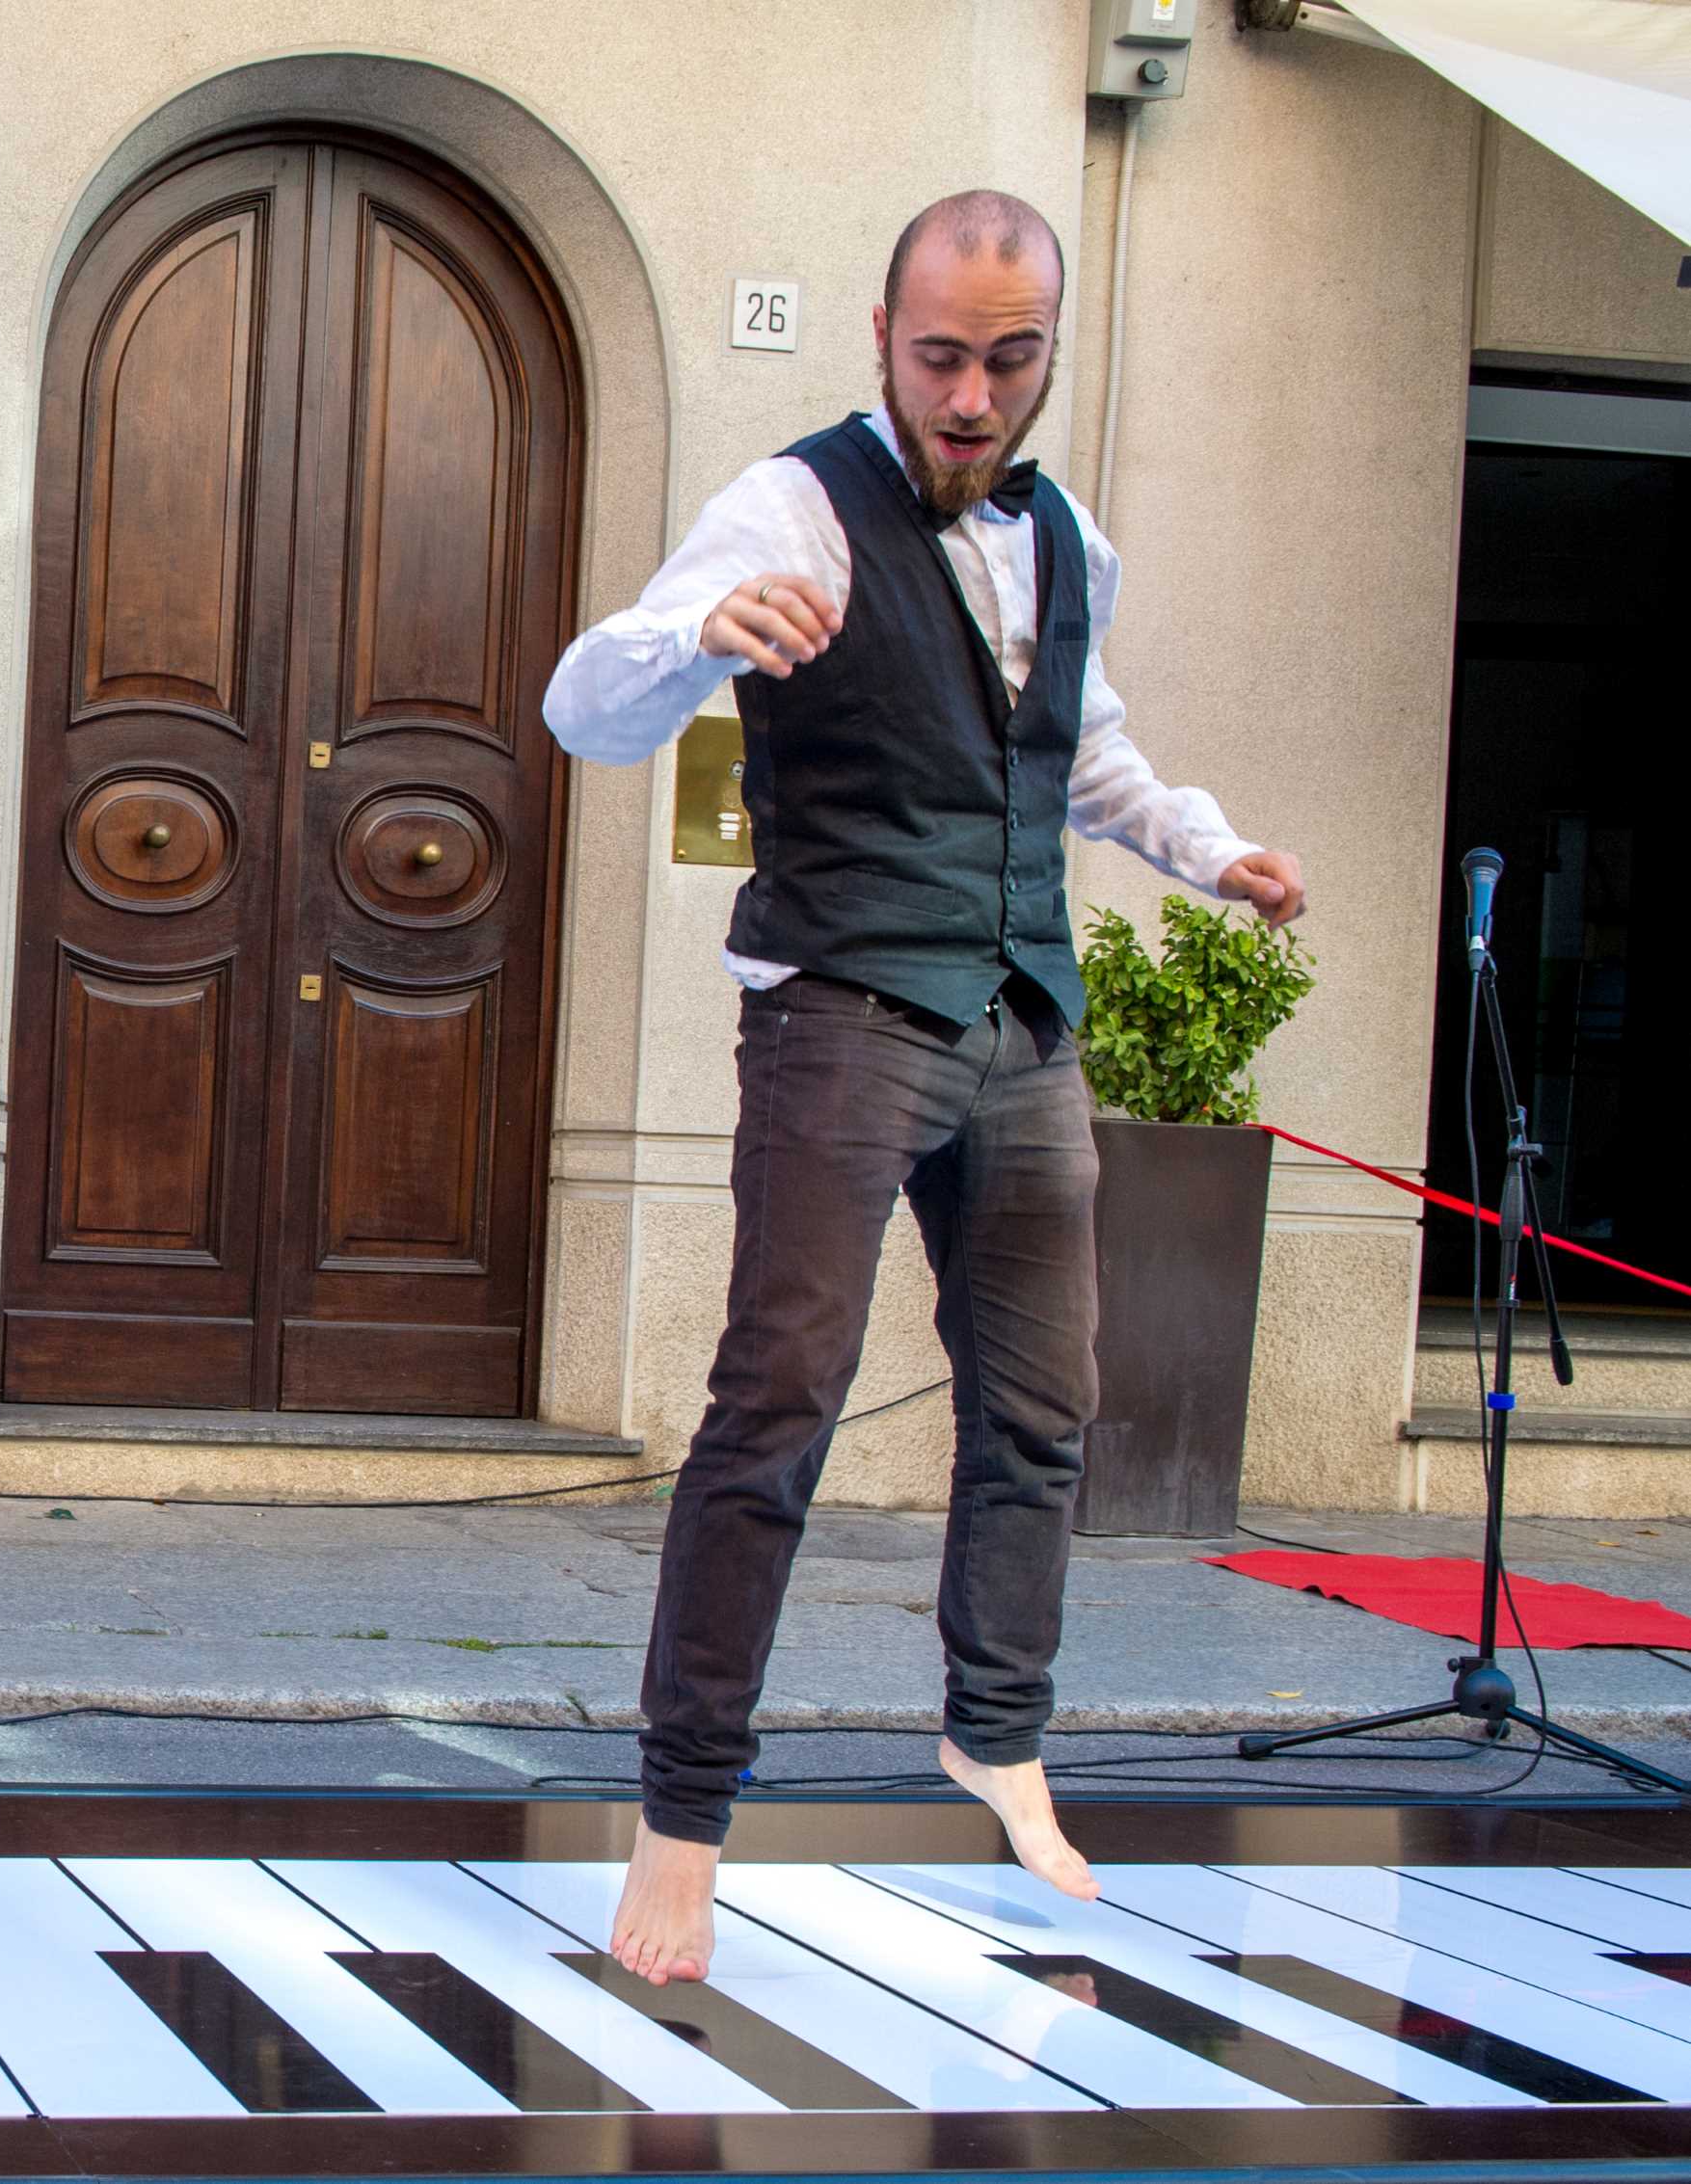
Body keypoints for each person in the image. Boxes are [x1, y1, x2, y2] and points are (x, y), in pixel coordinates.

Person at [538, 191, 1306, 1985]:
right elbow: (589, 705)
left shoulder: (1064, 537)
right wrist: (704, 629)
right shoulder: (790, 501)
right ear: (882, 340)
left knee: (1047, 1404)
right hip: (840, 1007)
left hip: (1021, 1016)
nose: (971, 395)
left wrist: (1205, 848)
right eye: (940, 357)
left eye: (1008, 360)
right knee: (777, 1402)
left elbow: (1079, 747)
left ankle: (996, 1732)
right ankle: (680, 1817)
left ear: (1047, 352)